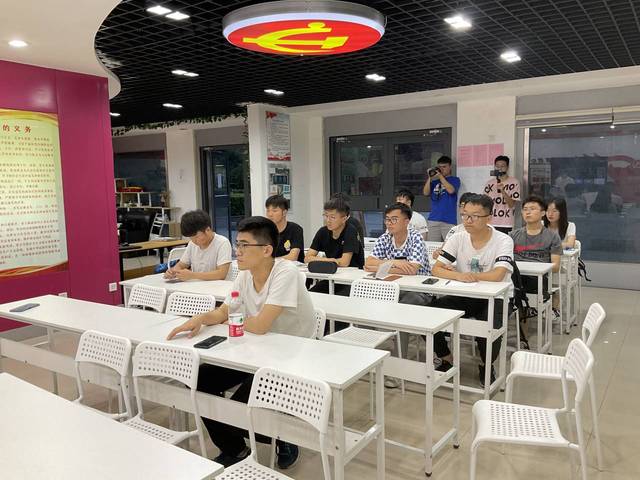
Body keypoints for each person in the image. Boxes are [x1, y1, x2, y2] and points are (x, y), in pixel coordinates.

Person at [166, 216, 314, 468]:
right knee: (199, 380)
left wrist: (230, 320)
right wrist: (200, 319)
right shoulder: (245, 275)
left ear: (266, 250)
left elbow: (260, 325)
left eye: (245, 245)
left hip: (293, 353)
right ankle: (234, 449)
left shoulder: (285, 272)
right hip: (256, 349)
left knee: (242, 409)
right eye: (238, 244)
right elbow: (225, 311)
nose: (238, 251)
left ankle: (283, 437)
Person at [430, 194, 514, 385]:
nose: (468, 220)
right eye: (464, 215)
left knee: (490, 326)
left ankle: (486, 365)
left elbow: (498, 274)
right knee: (428, 314)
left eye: (474, 216)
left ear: (489, 218)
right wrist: (459, 276)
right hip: (465, 294)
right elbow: (437, 269)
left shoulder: (503, 240)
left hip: (496, 297)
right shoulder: (457, 237)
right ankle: (446, 358)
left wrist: (468, 275)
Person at [365, 203, 431, 386]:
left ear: (407, 221)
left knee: (401, 310)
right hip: (392, 288)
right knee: (364, 303)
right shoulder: (385, 237)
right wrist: (397, 263)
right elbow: (368, 264)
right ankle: (366, 358)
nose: (389, 223)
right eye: (387, 219)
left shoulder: (415, 238)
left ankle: (397, 369)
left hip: (419, 291)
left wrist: (383, 265)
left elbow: (412, 270)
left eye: (394, 219)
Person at [510, 195, 562, 322]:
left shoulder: (552, 237)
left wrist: (535, 268)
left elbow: (556, 267)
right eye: (525, 209)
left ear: (543, 213)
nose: (528, 212)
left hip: (538, 280)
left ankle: (524, 313)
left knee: (519, 290)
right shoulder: (513, 235)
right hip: (516, 278)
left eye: (532, 209)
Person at [305, 198, 364, 295]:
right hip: (332, 276)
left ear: (344, 219)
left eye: (332, 217)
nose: (328, 220)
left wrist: (322, 260)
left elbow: (344, 262)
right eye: (326, 216)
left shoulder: (350, 231)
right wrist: (331, 260)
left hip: (352, 279)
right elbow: (307, 258)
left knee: (338, 299)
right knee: (311, 295)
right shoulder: (323, 231)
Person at [164, 209, 231, 281]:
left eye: (196, 237)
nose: (194, 241)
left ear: (207, 230)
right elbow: (181, 265)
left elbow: (221, 274)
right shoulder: (192, 244)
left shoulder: (222, 243)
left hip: (219, 286)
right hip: (198, 285)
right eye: (191, 238)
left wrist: (192, 275)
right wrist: (173, 271)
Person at [422, 155, 461, 242]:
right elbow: (425, 193)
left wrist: (440, 176)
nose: (442, 169)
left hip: (448, 220)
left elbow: (451, 190)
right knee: (432, 246)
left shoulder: (455, 180)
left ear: (450, 167)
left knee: (450, 246)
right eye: (439, 167)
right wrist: (430, 177)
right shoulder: (435, 182)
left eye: (444, 167)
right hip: (433, 219)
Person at [432, 192, 476, 261]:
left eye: (468, 206)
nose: (464, 209)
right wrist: (438, 253)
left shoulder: (481, 230)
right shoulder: (455, 229)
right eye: (462, 206)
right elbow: (444, 249)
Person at [483, 155, 520, 234]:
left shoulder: (514, 182)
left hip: (506, 223)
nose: (499, 168)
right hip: (490, 222)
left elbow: (511, 204)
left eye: (502, 166)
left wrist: (503, 191)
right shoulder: (489, 183)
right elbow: (484, 203)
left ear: (507, 167)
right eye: (497, 166)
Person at [264, 194, 304, 262]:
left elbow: (293, 257)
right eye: (268, 210)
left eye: (274, 211)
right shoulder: (265, 231)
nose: (270, 214)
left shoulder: (295, 229)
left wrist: (271, 261)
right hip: (272, 266)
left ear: (284, 213)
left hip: (293, 266)